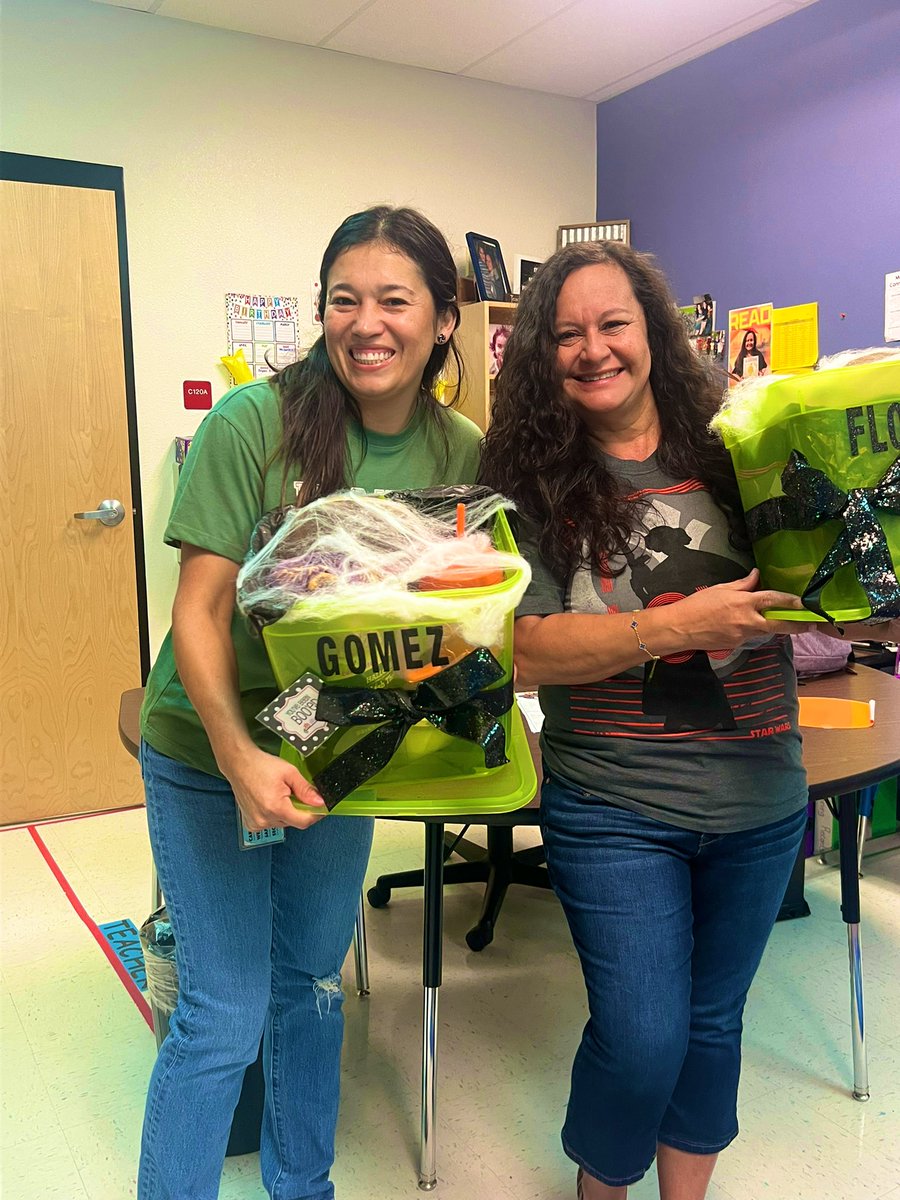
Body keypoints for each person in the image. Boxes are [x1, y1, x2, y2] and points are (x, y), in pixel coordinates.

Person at [137, 205, 481, 1200]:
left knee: (312, 989)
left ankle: (305, 1188)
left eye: (394, 300)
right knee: (223, 1009)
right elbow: (197, 613)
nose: (366, 324)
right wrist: (241, 757)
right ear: (321, 311)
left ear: (444, 320)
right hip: (211, 750)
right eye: (344, 299)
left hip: (345, 750)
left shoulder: (458, 445)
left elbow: (451, 618)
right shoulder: (255, 423)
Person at [480, 239, 818, 1200]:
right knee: (641, 1038)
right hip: (615, 802)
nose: (593, 349)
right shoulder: (535, 478)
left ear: (653, 330)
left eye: (612, 324)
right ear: (541, 356)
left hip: (759, 793)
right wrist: (675, 624)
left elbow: (812, 590)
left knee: (712, 1024)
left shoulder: (740, 446)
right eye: (566, 334)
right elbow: (528, 650)